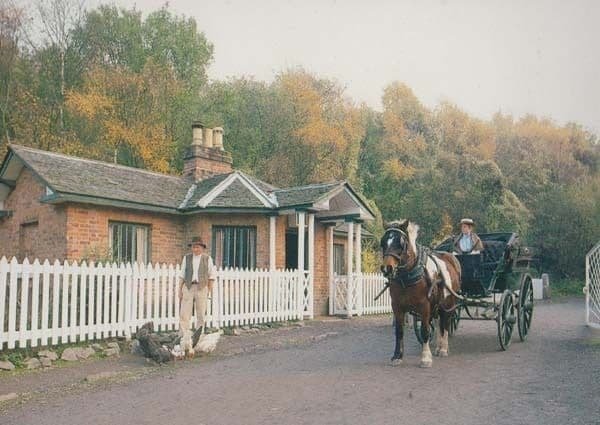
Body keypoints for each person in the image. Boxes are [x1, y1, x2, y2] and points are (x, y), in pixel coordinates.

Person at [178, 236, 217, 338]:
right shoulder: (186, 258)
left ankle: (199, 336)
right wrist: (179, 290)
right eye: (193, 247)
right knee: (184, 313)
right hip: (188, 286)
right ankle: (183, 335)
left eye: (197, 247)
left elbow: (211, 276)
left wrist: (208, 290)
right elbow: (182, 275)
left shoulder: (207, 259)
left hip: (202, 287)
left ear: (202, 248)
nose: (195, 249)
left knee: (201, 313)